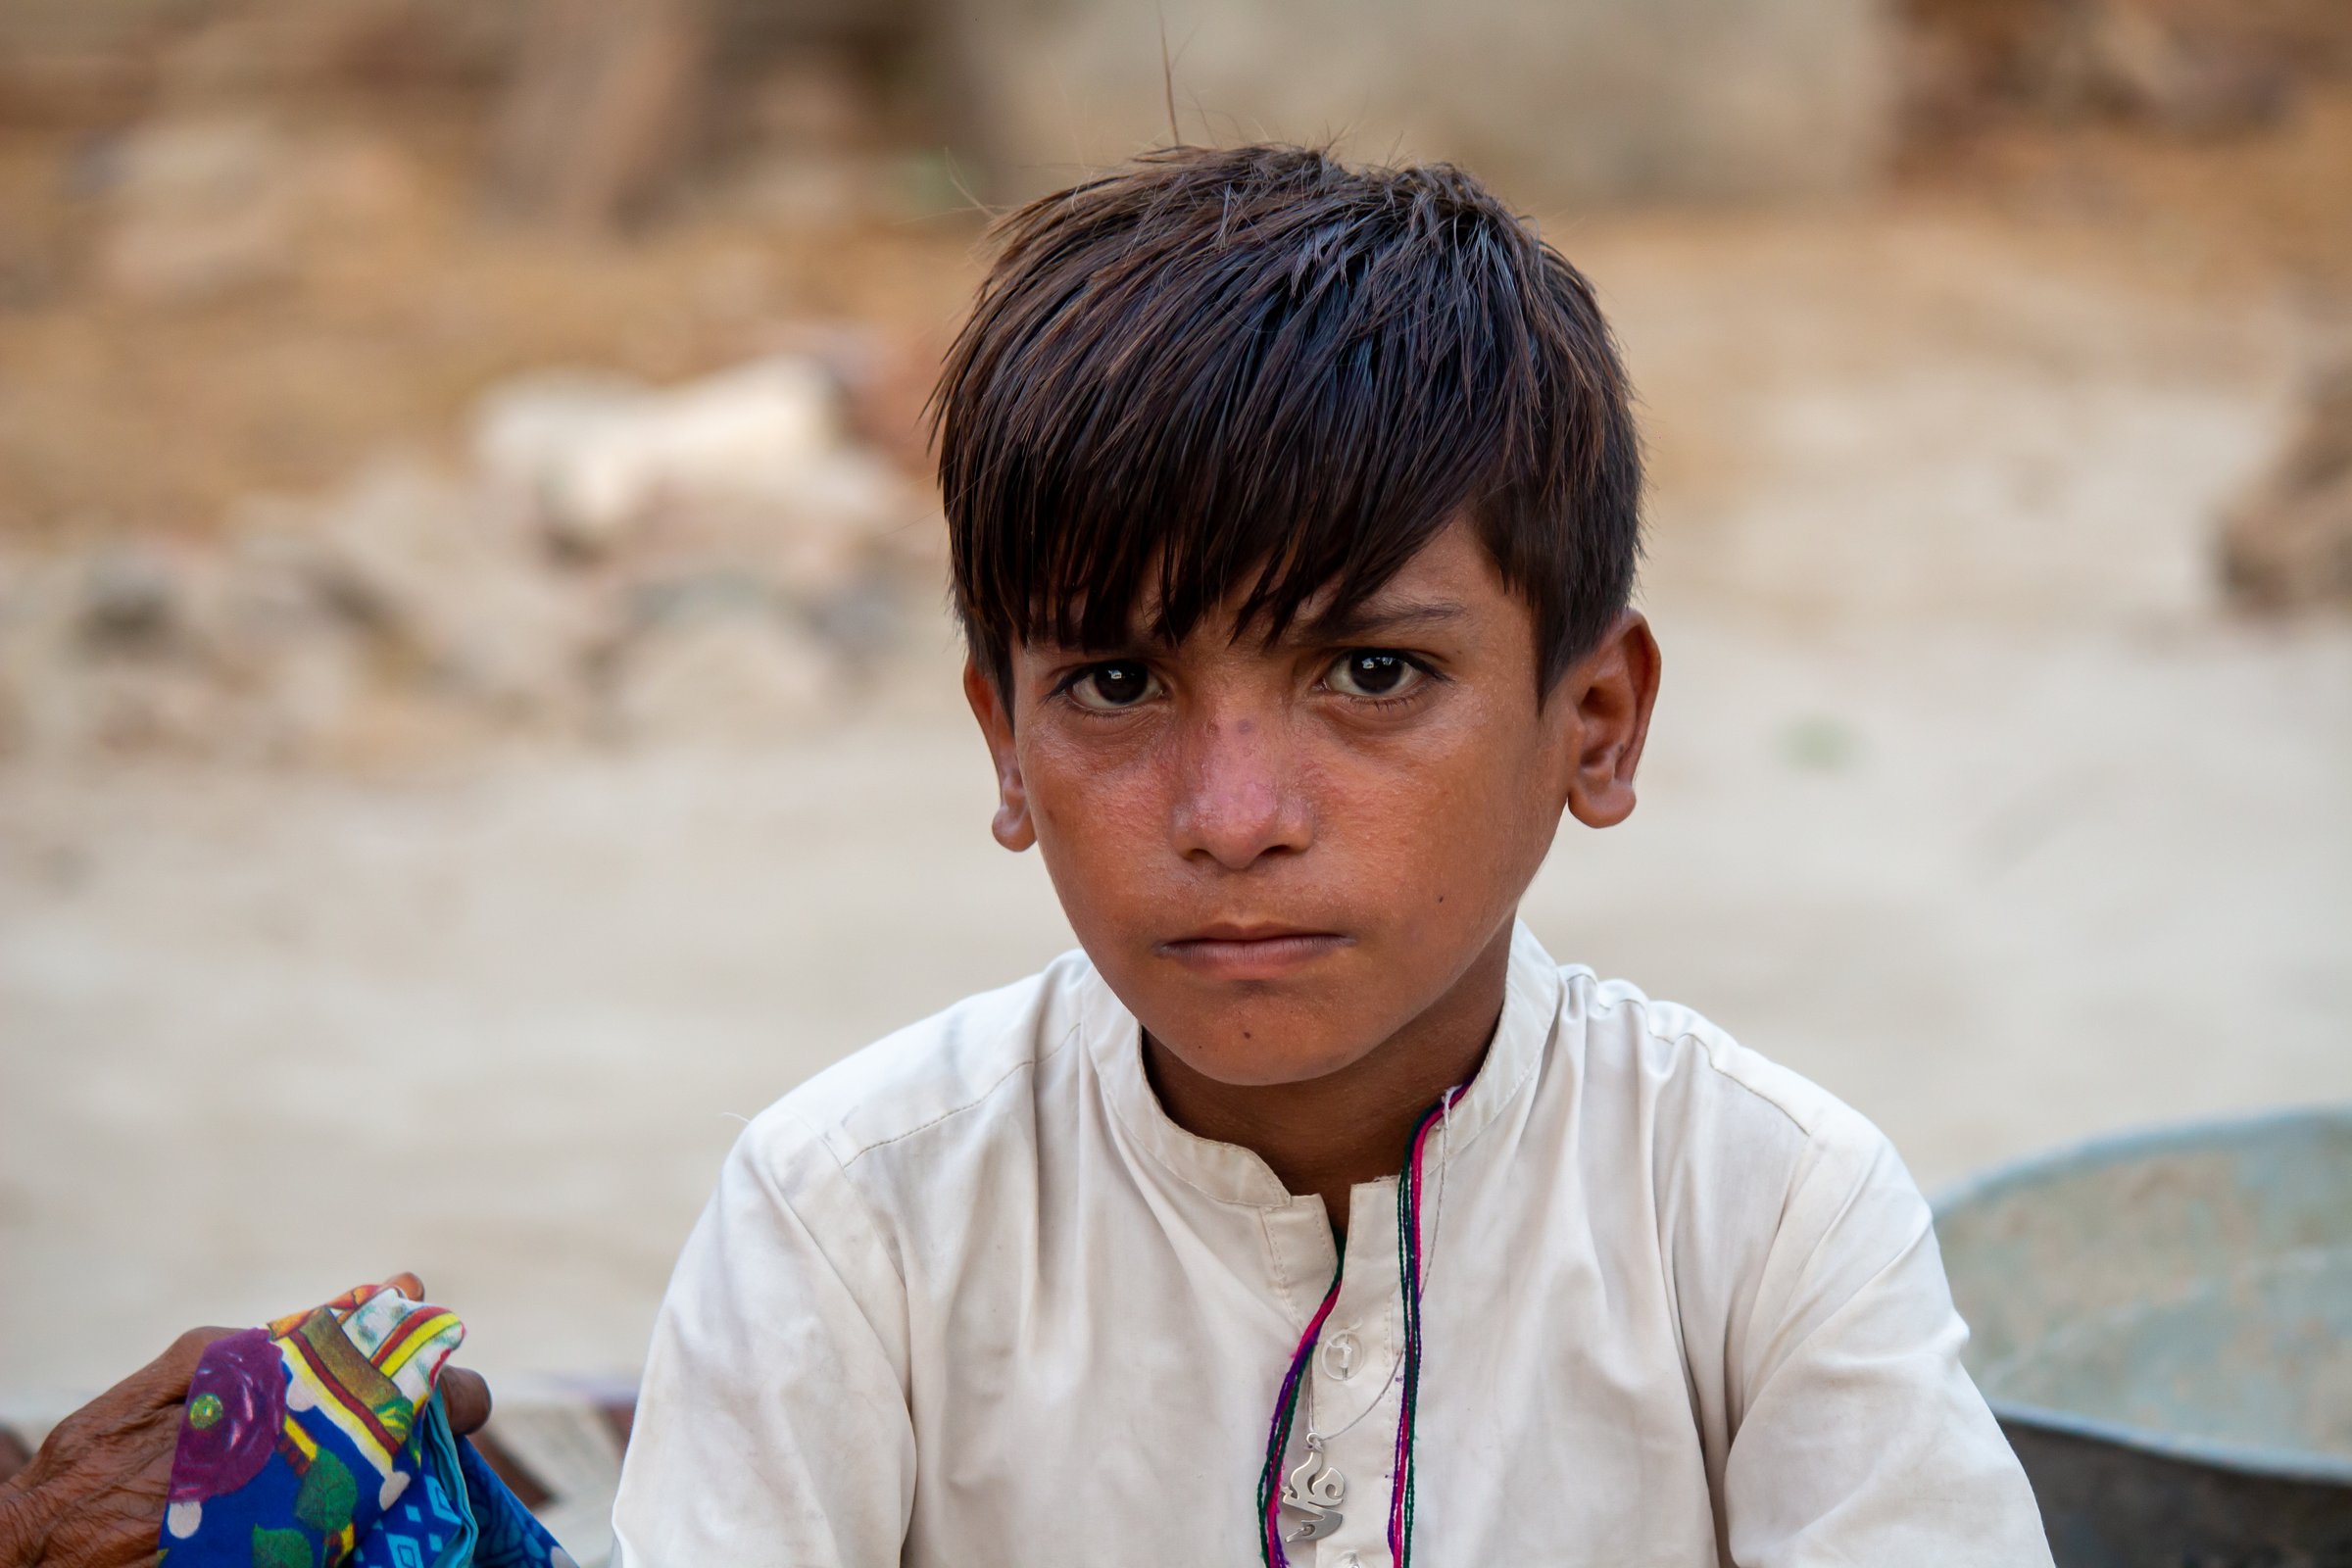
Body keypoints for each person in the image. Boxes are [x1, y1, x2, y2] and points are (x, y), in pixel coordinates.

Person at [10, 144, 2054, 1567]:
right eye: (1114, 685)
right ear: (1000, 739)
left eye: (1371, 669)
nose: (1233, 811)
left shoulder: (1763, 1212)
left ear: (1593, 723)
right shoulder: (853, 1220)